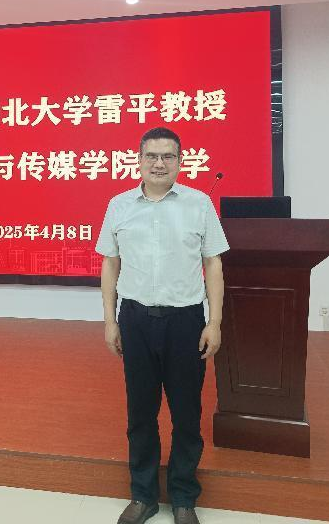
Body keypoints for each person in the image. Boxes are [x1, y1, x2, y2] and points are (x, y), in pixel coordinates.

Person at [95, 127, 229, 524]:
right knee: (140, 412)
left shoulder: (199, 204)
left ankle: (184, 497)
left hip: (185, 321)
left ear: (179, 161)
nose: (159, 163)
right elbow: (110, 263)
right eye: (151, 156)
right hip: (135, 319)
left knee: (187, 413)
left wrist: (215, 321)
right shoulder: (119, 205)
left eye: (168, 156)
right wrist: (110, 320)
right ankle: (144, 495)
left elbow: (213, 263)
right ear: (138, 160)